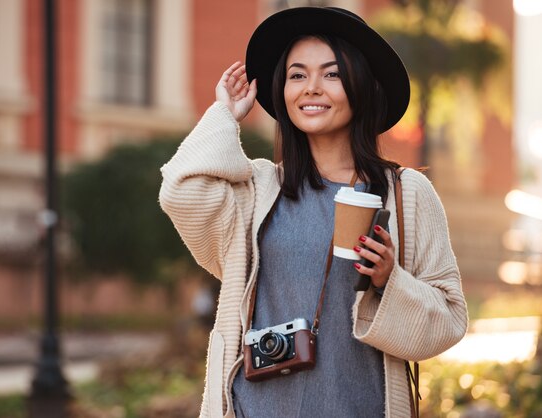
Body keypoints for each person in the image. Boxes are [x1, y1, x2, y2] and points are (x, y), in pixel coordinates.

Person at [159, 6, 467, 418]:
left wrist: (388, 280)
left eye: (332, 74)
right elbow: (181, 191)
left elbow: (449, 319)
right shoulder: (260, 188)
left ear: (361, 86)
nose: (311, 88)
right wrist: (224, 118)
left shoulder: (406, 194)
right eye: (297, 75)